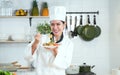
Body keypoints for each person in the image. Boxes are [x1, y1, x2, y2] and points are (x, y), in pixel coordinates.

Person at [24, 6, 74, 75]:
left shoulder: (68, 43)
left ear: (64, 25)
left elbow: (66, 64)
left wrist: (55, 51)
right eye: (52, 24)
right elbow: (27, 57)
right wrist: (35, 42)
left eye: (58, 24)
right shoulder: (42, 39)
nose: (55, 28)